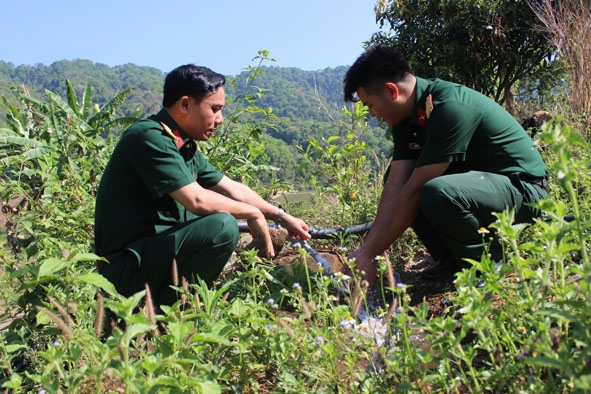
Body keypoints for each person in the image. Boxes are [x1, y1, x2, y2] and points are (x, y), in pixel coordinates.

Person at [94, 64, 310, 306]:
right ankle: (165, 315)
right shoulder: (149, 137)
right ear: (185, 105)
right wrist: (252, 212)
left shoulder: (182, 146)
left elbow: (232, 188)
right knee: (222, 227)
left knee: (222, 222)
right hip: (126, 270)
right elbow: (197, 200)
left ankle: (172, 313)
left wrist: (281, 216)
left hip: (152, 259)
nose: (220, 120)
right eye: (215, 109)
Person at [343, 45, 548, 288]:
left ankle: (489, 264)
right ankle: (453, 261)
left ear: (391, 90)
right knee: (405, 184)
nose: (372, 114)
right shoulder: (405, 120)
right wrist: (368, 250)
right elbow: (396, 184)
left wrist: (368, 255)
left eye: (369, 105)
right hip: (482, 189)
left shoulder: (449, 106)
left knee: (432, 191)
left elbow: (416, 190)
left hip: (523, 190)